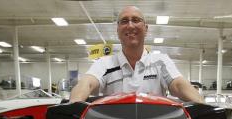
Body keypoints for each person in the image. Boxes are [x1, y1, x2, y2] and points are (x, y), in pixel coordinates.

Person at [69, 6, 203, 103]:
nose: (130, 25)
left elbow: (179, 85)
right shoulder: (104, 64)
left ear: (146, 28)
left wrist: (202, 105)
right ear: (117, 30)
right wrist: (73, 106)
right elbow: (86, 84)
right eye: (124, 21)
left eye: (136, 20)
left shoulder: (161, 61)